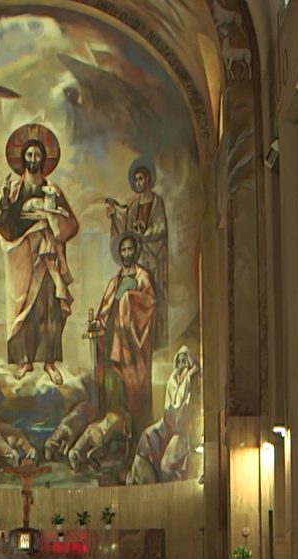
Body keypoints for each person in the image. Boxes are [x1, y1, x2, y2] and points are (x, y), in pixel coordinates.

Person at [0, 124, 79, 385]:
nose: (33, 160)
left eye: (37, 155)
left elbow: (71, 224)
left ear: (43, 159)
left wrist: (51, 217)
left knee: (49, 308)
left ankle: (50, 362)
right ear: (22, 159)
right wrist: (8, 201)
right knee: (25, 309)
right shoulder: (15, 189)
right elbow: (0, 220)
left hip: (48, 255)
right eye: (28, 155)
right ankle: (25, 360)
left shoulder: (53, 190)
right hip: (24, 255)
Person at [91, 233, 157, 433]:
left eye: (130, 249)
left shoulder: (142, 277)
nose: (127, 253)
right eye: (123, 250)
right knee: (114, 388)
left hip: (131, 345)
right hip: (112, 340)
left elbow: (150, 306)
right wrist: (98, 323)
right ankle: (113, 433)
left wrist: (129, 299)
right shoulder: (115, 281)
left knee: (132, 388)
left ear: (136, 250)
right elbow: (105, 309)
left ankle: (135, 433)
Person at [105, 158, 169, 344]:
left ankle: (156, 337)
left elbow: (161, 227)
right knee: (137, 294)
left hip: (155, 256)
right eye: (137, 180)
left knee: (153, 294)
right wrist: (114, 211)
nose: (139, 183)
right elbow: (125, 222)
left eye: (142, 179)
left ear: (148, 180)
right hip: (139, 256)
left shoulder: (157, 202)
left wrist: (144, 232)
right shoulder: (134, 205)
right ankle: (136, 334)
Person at [128, 345, 200, 484]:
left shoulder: (190, 379)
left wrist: (189, 376)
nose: (180, 365)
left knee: (167, 465)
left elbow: (181, 399)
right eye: (178, 362)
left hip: (180, 426)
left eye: (183, 362)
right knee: (147, 435)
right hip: (168, 419)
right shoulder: (173, 379)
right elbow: (171, 402)